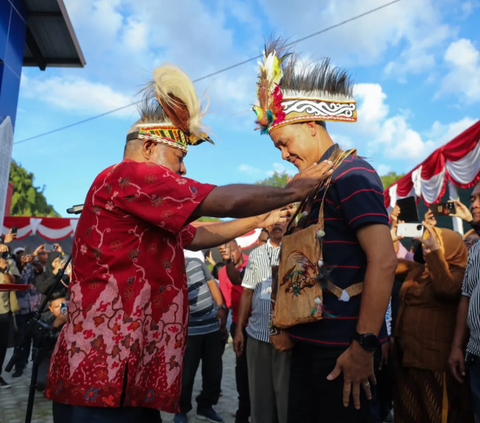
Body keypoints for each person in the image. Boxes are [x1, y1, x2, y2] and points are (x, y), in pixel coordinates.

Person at [45, 63, 333, 423]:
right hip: (105, 370)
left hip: (120, 369)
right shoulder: (130, 176)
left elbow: (196, 237)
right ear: (149, 147)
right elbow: (222, 200)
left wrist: (260, 219)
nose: (183, 170)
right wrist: (291, 190)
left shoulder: (142, 204)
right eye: (179, 157)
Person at [251, 41, 396, 422]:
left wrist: (363, 346)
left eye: (285, 143)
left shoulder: (353, 175)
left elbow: (383, 261)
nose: (283, 154)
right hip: (308, 350)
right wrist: (284, 325)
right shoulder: (312, 186)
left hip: (344, 354)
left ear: (312, 126)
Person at [394, 222, 473, 423]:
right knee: (410, 414)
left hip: (435, 362)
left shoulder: (460, 273)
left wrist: (434, 250)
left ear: (451, 246)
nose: (427, 244)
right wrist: (391, 238)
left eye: (437, 240)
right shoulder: (419, 270)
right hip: (408, 358)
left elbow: (446, 288)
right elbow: (387, 262)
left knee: (437, 413)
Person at [234, 221, 290, 423]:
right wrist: (239, 330)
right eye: (273, 220)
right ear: (266, 226)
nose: (278, 224)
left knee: (285, 401)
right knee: (260, 402)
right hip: (257, 335)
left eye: (282, 220)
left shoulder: (296, 249)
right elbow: (247, 292)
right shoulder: (257, 254)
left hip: (286, 337)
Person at [175, 256, 229, 423]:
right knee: (186, 375)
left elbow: (211, 283)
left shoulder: (197, 263)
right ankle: (181, 410)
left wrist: (220, 306)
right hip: (189, 331)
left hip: (212, 327)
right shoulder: (169, 268)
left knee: (214, 372)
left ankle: (205, 407)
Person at [449, 183, 480, 420]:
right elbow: (466, 296)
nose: (473, 204)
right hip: (475, 355)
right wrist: (458, 347)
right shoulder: (476, 249)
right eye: (472, 198)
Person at [218, 240, 250, 423]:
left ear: (240, 249)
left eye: (232, 250)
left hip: (259, 325)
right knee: (242, 371)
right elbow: (226, 299)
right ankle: (243, 409)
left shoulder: (252, 261)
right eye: (226, 251)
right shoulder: (224, 272)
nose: (230, 253)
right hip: (239, 325)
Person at [12, 252, 42, 378]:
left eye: (24, 255)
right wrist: (22, 264)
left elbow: (40, 269)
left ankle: (38, 366)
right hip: (22, 309)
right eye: (20, 255)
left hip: (35, 307)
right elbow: (16, 278)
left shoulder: (32, 266)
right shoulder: (14, 269)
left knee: (37, 339)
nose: (23, 257)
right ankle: (19, 366)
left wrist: (32, 261)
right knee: (22, 339)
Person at [37, 291, 69, 392]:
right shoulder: (45, 320)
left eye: (63, 305)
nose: (60, 309)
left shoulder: (76, 317)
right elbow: (42, 342)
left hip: (70, 357)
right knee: (41, 383)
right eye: (56, 307)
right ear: (50, 309)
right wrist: (55, 325)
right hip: (50, 357)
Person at [0, 243, 20, 389]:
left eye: (5, 250)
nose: (2, 252)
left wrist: (5, 268)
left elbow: (12, 282)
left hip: (4, 311)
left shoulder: (9, 263)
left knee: (2, 346)